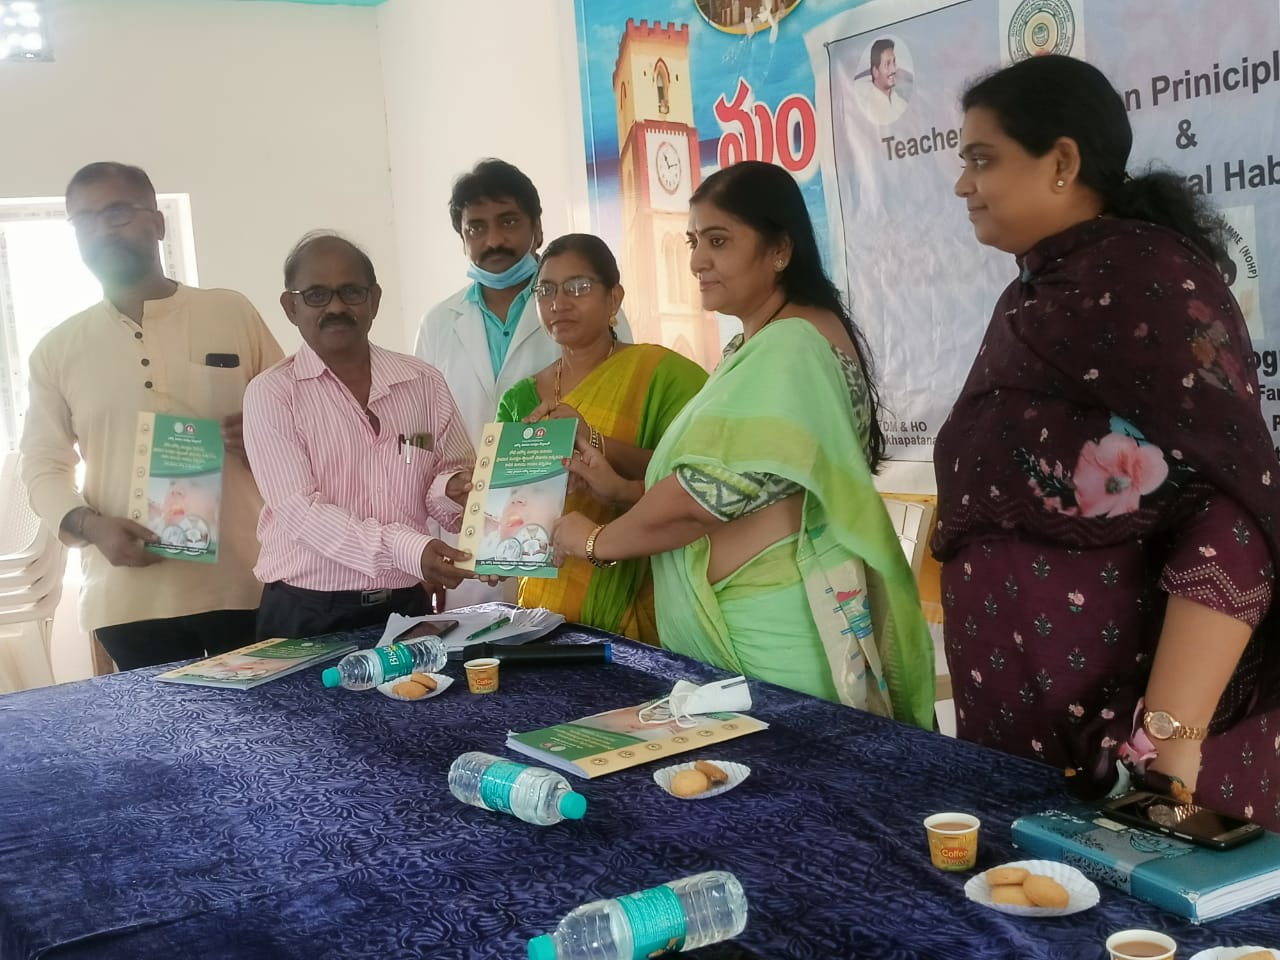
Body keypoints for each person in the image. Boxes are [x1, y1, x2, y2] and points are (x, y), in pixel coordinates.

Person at [936, 55, 1279, 828]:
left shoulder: (1151, 287)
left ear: (1061, 161)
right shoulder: (1029, 298)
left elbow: (1236, 513)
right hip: (1015, 737)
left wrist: (1169, 750)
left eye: (982, 159)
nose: (963, 185)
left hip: (1139, 771)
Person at [551, 163, 934, 727]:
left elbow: (699, 502)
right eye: (693, 242)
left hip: (770, 635)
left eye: (719, 240)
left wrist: (592, 541)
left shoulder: (792, 348)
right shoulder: (764, 343)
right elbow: (750, 485)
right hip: (754, 627)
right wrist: (624, 489)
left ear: (779, 250)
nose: (696, 261)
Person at [20, 162, 283, 670]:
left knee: (265, 720)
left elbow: (295, 420)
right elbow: (43, 466)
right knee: (158, 726)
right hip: (127, 598)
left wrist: (263, 442)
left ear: (158, 223)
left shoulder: (231, 313)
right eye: (84, 220)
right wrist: (93, 527)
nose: (101, 229)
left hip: (244, 584)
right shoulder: (57, 349)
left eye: (117, 212)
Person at [415, 160, 632, 608]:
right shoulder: (438, 323)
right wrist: (421, 544)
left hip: (571, 528)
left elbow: (623, 398)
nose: (493, 239)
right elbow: (423, 440)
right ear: (462, 238)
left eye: (508, 221)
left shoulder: (586, 306)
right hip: (471, 533)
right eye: (476, 227)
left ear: (537, 229)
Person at [243, 232, 480, 641]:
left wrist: (455, 489)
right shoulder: (272, 393)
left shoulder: (423, 383)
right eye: (317, 295)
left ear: (374, 299)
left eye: (351, 292)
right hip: (306, 613)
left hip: (405, 604)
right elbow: (301, 512)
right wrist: (409, 549)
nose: (336, 307)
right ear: (291, 306)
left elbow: (446, 480)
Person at [496, 234, 706, 645]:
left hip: (640, 591)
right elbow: (508, 505)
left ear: (614, 298)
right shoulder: (519, 399)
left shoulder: (664, 375)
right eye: (546, 290)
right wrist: (492, 546)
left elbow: (697, 478)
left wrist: (593, 439)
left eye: (577, 287)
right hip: (543, 612)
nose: (559, 303)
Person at [854, 38, 907, 126]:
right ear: (875, 72)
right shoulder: (866, 107)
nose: (894, 69)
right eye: (887, 64)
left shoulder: (902, 104)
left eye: (894, 62)